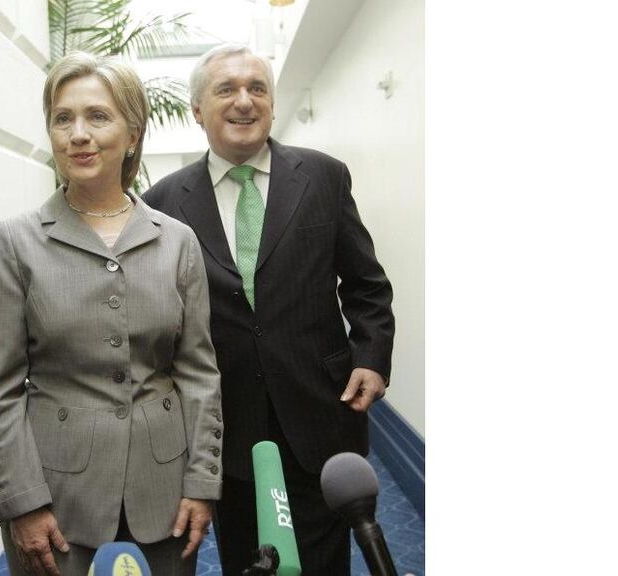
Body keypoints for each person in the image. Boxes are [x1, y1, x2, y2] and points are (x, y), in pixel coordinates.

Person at [143, 44, 396, 575]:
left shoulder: (323, 177)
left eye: (257, 88)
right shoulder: (163, 202)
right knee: (248, 558)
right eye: (227, 89)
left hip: (320, 411)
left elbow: (367, 286)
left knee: (324, 560)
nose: (245, 101)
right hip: (225, 426)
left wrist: (371, 357)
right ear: (197, 110)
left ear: (273, 105)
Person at [0, 52, 223, 576]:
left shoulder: (177, 241)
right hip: (56, 495)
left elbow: (199, 374)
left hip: (166, 490)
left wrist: (203, 481)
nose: (78, 135)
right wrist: (21, 500)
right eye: (62, 119)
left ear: (133, 134)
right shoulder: (14, 242)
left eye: (97, 116)